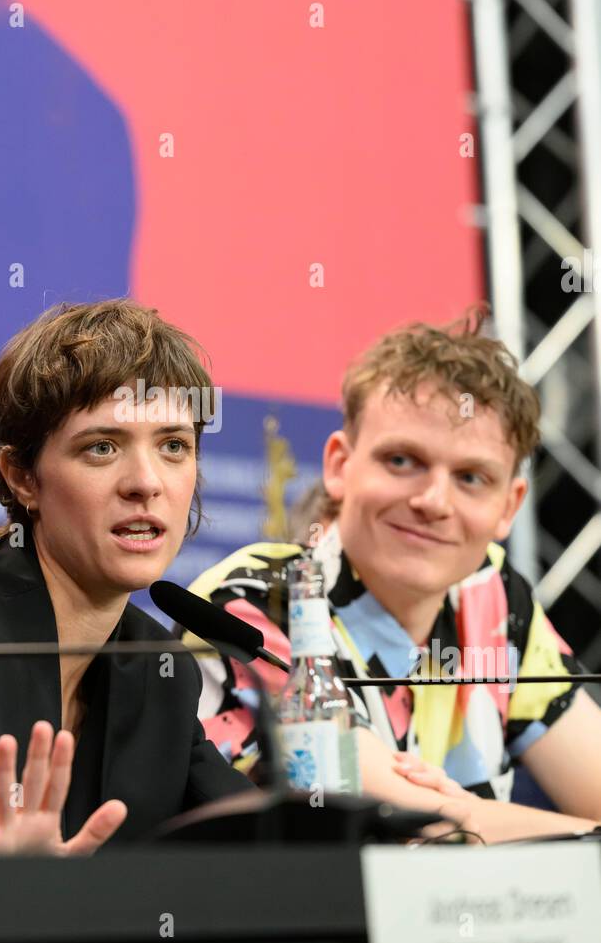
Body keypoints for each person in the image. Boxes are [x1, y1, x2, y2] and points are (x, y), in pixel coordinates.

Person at [186, 309, 601, 845]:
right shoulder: (255, 599)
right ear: (339, 464)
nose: (433, 502)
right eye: (403, 460)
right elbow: (399, 826)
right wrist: (454, 812)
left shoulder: (493, 594)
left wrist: (458, 812)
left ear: (509, 505)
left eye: (471, 477)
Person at [0, 298, 262, 852]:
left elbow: (257, 839)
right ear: (22, 477)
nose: (146, 483)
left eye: (173, 446)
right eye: (102, 447)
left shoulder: (159, 669)